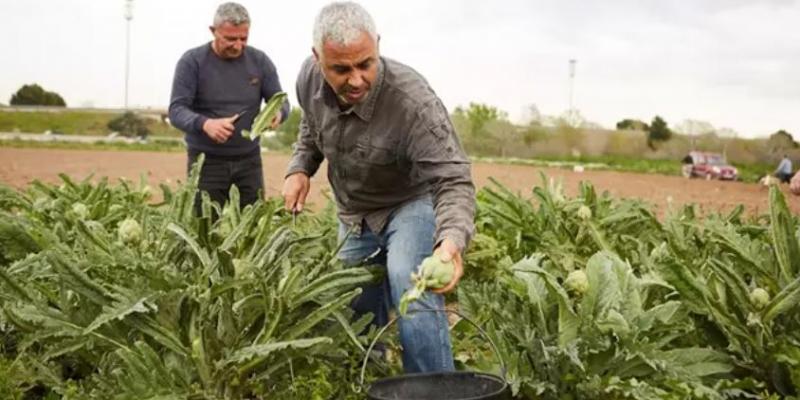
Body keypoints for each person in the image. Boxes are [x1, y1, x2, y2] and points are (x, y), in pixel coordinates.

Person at [281, 1, 475, 373]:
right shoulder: (307, 79)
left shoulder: (413, 103)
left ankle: (433, 389)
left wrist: (449, 245)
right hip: (354, 212)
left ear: (378, 46)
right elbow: (311, 125)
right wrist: (300, 167)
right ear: (317, 58)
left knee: (411, 281)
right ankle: (374, 379)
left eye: (365, 64)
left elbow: (453, 179)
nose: (355, 80)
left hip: (409, 201)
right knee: (355, 299)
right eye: (341, 69)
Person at [168, 2, 289, 213]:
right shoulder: (192, 62)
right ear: (213, 31)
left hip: (249, 161)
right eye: (230, 39)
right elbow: (177, 110)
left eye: (244, 38)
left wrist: (278, 114)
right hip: (205, 163)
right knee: (203, 228)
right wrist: (205, 124)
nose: (238, 45)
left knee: (252, 227)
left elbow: (280, 101)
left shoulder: (260, 62)